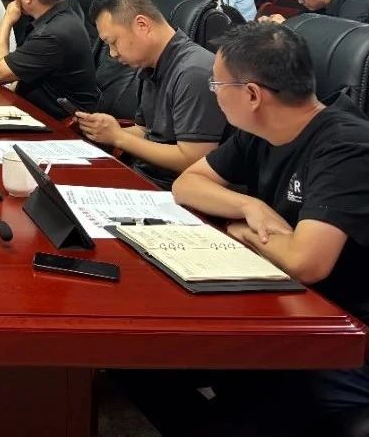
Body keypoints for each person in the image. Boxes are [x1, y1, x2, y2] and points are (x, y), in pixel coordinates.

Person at [125, 23, 369, 436]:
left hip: (339, 338)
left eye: (217, 85)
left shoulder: (346, 145)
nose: (214, 93)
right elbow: (187, 184)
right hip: (281, 308)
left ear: (252, 95)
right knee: (138, 360)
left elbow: (306, 262)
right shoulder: (261, 132)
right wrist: (249, 206)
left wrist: (244, 232)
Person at [74, 0, 225, 187]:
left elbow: (193, 158)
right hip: (143, 174)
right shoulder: (150, 64)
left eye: (113, 42)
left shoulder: (194, 72)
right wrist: (101, 131)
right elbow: (146, 131)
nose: (112, 53)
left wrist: (118, 137)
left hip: (172, 188)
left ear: (142, 25)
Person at [0, 0, 100, 119]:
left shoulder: (52, 35)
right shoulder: (61, 17)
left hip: (59, 124)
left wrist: (6, 20)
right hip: (36, 110)